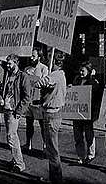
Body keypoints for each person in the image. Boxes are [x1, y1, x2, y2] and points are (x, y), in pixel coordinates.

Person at [34, 51, 67, 184]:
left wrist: (43, 77)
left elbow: (39, 83)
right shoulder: (61, 75)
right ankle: (54, 177)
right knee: (51, 147)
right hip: (55, 112)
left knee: (52, 149)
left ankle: (56, 178)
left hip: (51, 114)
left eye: (50, 61)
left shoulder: (55, 75)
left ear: (54, 62)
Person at [0, 54, 32, 173]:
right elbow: (5, 89)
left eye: (9, 63)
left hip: (14, 110)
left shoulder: (23, 76)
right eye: (7, 63)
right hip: (7, 108)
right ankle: (15, 160)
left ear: (16, 63)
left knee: (11, 136)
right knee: (11, 136)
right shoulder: (8, 75)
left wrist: (19, 111)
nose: (7, 65)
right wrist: (2, 97)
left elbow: (27, 97)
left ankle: (19, 164)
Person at [71, 61, 100, 165]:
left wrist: (92, 79)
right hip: (77, 112)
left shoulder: (93, 82)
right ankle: (81, 156)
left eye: (83, 71)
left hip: (87, 113)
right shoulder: (77, 79)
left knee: (89, 135)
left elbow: (97, 95)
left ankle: (91, 154)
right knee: (77, 136)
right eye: (80, 70)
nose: (81, 72)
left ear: (89, 71)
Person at [23, 47, 49, 152]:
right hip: (28, 100)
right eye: (31, 55)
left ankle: (45, 145)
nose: (31, 58)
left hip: (38, 100)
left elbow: (45, 83)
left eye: (34, 56)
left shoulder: (44, 68)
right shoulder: (26, 69)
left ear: (39, 57)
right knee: (29, 123)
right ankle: (28, 143)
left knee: (42, 124)